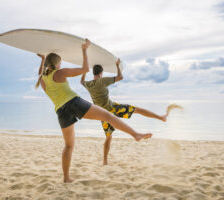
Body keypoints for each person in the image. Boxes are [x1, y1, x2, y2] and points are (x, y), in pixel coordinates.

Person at [35, 39, 152, 183]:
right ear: (57, 64)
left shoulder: (42, 80)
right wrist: (84, 50)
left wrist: (42, 60)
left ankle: (66, 177)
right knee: (108, 116)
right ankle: (135, 134)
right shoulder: (60, 72)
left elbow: (40, 72)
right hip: (74, 103)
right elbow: (85, 70)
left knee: (69, 145)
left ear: (46, 64)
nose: (61, 65)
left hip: (60, 111)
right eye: (60, 63)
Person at [81, 59, 179, 165]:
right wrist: (117, 65)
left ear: (93, 72)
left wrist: (84, 72)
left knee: (109, 137)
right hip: (114, 108)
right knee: (138, 110)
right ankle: (161, 118)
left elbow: (82, 82)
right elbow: (120, 77)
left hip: (103, 114)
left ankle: (105, 161)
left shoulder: (88, 84)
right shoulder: (102, 81)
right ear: (101, 73)